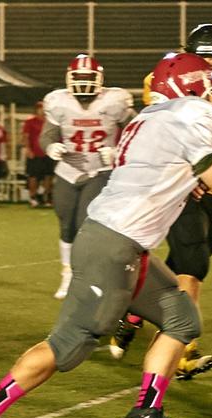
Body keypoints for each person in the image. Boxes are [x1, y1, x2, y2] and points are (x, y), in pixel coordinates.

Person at [0, 53, 212, 418]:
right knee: (73, 343)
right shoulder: (191, 114)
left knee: (182, 319)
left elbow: (164, 168)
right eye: (208, 84)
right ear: (190, 87)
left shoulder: (154, 116)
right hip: (114, 244)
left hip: (123, 242)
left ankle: (147, 410)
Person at [117, 23, 212, 377]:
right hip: (187, 184)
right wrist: (193, 174)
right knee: (194, 264)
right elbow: (172, 133)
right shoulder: (163, 81)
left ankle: (134, 312)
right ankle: (183, 348)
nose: (210, 65)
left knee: (190, 258)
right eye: (202, 58)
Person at [42, 54, 134, 299]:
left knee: (85, 221)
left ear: (99, 79)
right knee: (66, 223)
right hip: (68, 170)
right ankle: (68, 273)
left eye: (88, 77)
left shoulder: (114, 101)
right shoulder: (59, 102)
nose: (83, 82)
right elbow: (47, 135)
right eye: (79, 77)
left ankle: (86, 275)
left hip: (99, 170)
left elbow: (136, 132)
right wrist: (52, 147)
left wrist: (117, 152)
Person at [21, 101, 53, 207]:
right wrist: (28, 149)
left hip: (48, 153)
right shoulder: (30, 122)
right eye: (40, 108)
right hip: (35, 153)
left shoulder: (50, 122)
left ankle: (47, 196)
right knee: (33, 176)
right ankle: (33, 196)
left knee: (48, 176)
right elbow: (25, 136)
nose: (42, 110)